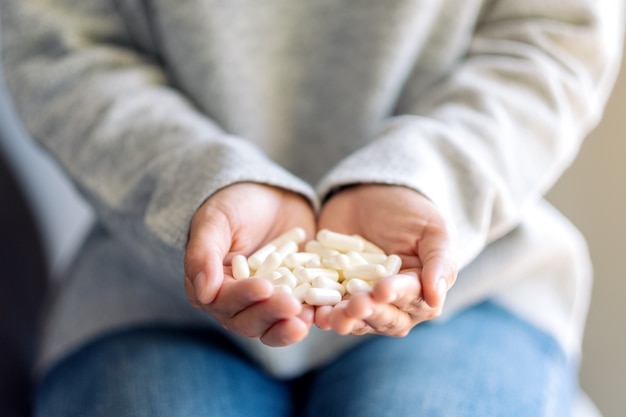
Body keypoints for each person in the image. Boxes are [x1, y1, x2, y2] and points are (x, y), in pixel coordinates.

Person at [0, 1, 623, 416]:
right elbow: (60, 45)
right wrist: (200, 186)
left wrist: (426, 181)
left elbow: (555, 35)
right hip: (151, 290)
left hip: (470, 282)